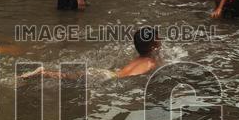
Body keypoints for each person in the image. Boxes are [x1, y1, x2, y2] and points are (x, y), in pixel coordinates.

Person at [22, 27, 161, 80]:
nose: (160, 40)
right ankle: (42, 73)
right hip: (107, 78)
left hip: (107, 73)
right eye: (158, 38)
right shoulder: (152, 62)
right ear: (154, 45)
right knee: (66, 78)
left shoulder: (139, 58)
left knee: (67, 77)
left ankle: (42, 73)